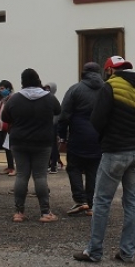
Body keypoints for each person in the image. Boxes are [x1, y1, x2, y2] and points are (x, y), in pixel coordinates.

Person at [74, 55, 135, 263]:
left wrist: (105, 139)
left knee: (101, 201)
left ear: (110, 70)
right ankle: (127, 252)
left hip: (115, 150)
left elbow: (97, 119)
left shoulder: (109, 87)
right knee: (132, 202)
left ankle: (94, 251)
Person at [2, 68, 61, 222]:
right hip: (43, 142)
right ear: (38, 80)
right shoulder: (48, 98)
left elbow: (5, 117)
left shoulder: (14, 99)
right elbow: (58, 110)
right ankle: (45, 212)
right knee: (40, 175)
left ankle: (19, 212)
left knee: (22, 175)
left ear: (22, 81)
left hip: (19, 141)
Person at [57, 62, 104, 215]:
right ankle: (90, 204)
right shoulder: (106, 89)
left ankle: (80, 200)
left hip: (78, 134)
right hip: (99, 135)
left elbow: (64, 115)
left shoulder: (75, 89)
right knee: (93, 169)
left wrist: (62, 135)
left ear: (84, 72)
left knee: (74, 167)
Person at [0, 80, 15, 175]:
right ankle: (9, 166)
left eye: (2, 88)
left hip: (9, 128)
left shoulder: (12, 100)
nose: (0, 90)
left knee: (10, 148)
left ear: (8, 89)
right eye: (0, 88)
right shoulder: (3, 100)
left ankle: (13, 168)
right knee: (6, 148)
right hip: (2, 128)